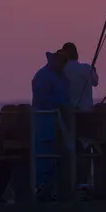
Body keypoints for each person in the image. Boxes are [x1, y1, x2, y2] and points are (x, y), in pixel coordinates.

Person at [32, 49, 71, 200]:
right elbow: (43, 99)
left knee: (59, 157)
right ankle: (41, 187)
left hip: (59, 122)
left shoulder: (59, 75)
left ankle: (53, 189)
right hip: (45, 121)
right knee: (44, 156)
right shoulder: (43, 76)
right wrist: (61, 104)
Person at [61, 42, 99, 185]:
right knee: (84, 148)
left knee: (70, 149)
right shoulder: (86, 69)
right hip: (86, 114)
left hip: (69, 115)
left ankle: (71, 182)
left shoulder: (62, 70)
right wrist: (93, 70)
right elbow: (95, 82)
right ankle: (85, 182)